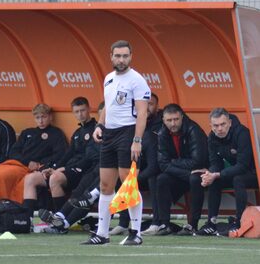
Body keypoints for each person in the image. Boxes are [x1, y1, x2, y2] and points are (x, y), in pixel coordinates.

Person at [82, 40, 151, 246]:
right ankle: (102, 234)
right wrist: (99, 126)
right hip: (109, 135)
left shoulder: (137, 80)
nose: (121, 60)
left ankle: (135, 233)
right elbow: (108, 107)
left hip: (128, 133)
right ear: (111, 56)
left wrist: (137, 140)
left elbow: (142, 113)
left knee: (128, 185)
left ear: (131, 56)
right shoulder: (109, 78)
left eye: (125, 56)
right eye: (118, 56)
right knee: (105, 185)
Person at [23, 97, 96, 215]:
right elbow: (68, 155)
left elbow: (89, 158)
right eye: (76, 112)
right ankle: (26, 219)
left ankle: (60, 218)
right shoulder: (77, 133)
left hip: (83, 170)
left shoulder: (96, 129)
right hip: (68, 169)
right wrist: (53, 168)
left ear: (89, 109)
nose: (80, 114)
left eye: (82, 110)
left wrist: (64, 169)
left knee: (55, 178)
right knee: (30, 178)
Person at [195, 108, 259, 235]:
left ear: (229, 122)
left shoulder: (242, 133)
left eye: (223, 124)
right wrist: (210, 174)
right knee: (213, 180)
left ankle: (239, 221)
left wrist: (217, 174)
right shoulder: (212, 137)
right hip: (235, 172)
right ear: (211, 126)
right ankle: (211, 223)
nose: (219, 129)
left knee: (238, 179)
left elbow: (243, 165)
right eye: (216, 125)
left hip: (254, 172)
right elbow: (215, 163)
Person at [110, 93, 161, 236]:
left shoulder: (156, 129)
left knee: (154, 179)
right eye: (144, 104)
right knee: (118, 177)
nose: (147, 107)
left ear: (157, 106)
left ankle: (156, 223)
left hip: (152, 171)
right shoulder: (128, 126)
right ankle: (123, 223)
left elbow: (154, 165)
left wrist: (135, 178)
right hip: (134, 171)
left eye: (150, 104)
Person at [156, 103, 208, 235]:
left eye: (176, 119)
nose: (173, 123)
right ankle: (164, 224)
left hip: (200, 173)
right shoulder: (162, 133)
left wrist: (173, 162)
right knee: (162, 179)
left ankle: (192, 224)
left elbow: (197, 162)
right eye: (169, 120)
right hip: (184, 173)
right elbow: (162, 164)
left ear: (182, 117)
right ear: (163, 120)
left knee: (195, 179)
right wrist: (185, 170)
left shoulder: (193, 130)